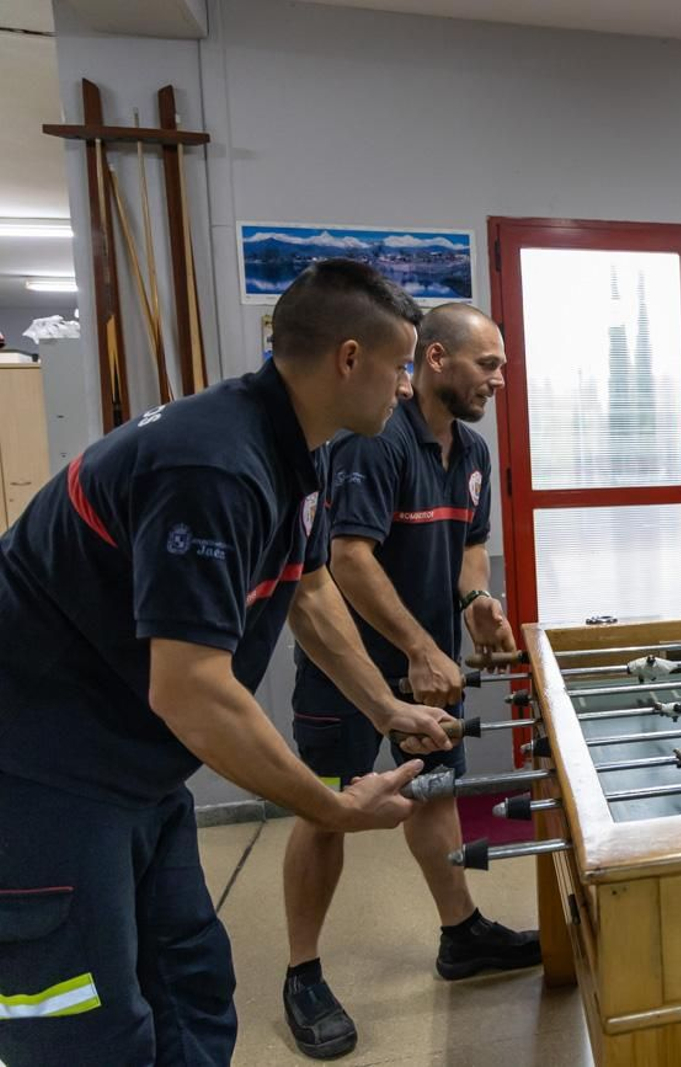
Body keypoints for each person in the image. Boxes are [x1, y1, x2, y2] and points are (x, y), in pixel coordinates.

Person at [0, 258, 452, 1066]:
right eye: (401, 365)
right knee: (84, 1025)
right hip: (40, 767)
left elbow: (310, 589)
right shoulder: (212, 464)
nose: (408, 385)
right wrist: (328, 804)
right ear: (349, 358)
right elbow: (193, 691)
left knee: (190, 981)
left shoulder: (301, 445)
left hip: (137, 763)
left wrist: (385, 707)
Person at [283, 303, 537, 1059]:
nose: (499, 378)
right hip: (347, 669)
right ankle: (302, 972)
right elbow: (349, 559)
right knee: (325, 810)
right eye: (487, 364)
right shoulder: (376, 440)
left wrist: (476, 600)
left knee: (435, 791)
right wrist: (421, 647)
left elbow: (471, 546)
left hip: (428, 665)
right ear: (435, 359)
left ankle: (460, 933)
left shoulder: (473, 451)